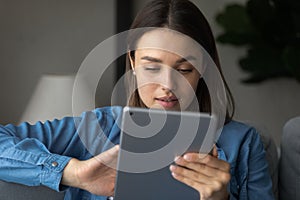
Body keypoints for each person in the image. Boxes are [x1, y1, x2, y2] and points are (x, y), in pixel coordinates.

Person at [0, 0, 274, 200]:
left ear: (202, 68)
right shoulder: (100, 126)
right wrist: (75, 173)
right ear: (132, 62)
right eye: (152, 67)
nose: (167, 86)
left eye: (184, 69)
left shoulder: (243, 142)